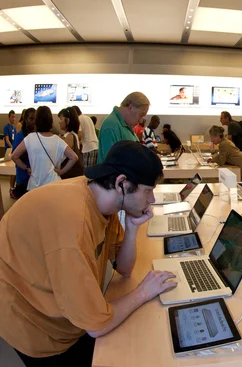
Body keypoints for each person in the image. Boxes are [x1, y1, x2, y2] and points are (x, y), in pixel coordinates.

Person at [0, 141, 176, 367]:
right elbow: (97, 326)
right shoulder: (75, 223)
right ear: (122, 183)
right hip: (33, 321)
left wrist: (132, 228)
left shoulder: (103, 198)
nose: (151, 200)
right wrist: (143, 292)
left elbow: (123, 268)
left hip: (65, 310)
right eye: (148, 191)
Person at [11, 106, 79, 191]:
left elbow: (14, 156)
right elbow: (74, 157)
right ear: (51, 121)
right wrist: (61, 171)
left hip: (34, 186)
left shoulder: (30, 138)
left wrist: (26, 168)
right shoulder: (57, 140)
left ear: (37, 121)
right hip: (53, 185)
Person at [98, 92, 150, 163]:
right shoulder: (111, 126)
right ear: (130, 108)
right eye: (141, 115)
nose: (141, 121)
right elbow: (112, 162)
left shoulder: (126, 125)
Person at [9, 108, 35, 199]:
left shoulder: (35, 134)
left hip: (33, 178)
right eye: (31, 119)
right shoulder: (20, 135)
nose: (33, 121)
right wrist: (26, 167)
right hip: (23, 177)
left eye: (35, 119)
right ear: (26, 120)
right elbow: (15, 156)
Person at [58, 107, 84, 179]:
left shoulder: (70, 136)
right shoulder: (71, 135)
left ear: (68, 120)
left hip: (70, 176)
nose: (59, 122)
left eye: (61, 119)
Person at [4, 110, 16, 190]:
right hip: (8, 150)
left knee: (14, 169)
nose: (13, 119)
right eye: (12, 117)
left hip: (14, 150)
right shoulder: (6, 127)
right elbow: (7, 139)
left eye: (14, 117)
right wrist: (12, 147)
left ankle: (12, 186)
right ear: (9, 117)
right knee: (10, 169)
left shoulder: (14, 128)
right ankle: (10, 187)